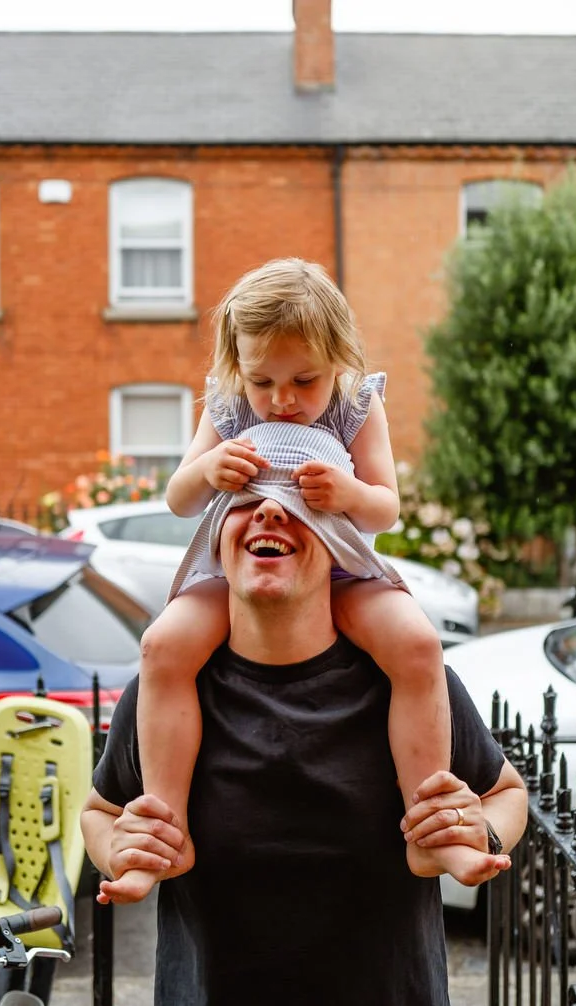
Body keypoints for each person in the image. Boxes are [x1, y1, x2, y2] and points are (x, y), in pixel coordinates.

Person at [80, 439, 527, 1006]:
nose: (268, 512)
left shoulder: (405, 688)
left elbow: (506, 794)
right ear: (217, 538)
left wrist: (481, 833)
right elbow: (100, 810)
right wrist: (115, 847)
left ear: (339, 542)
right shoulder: (166, 696)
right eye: (245, 500)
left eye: (296, 497)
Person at [111, 257, 464, 903]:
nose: (281, 400)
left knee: (416, 645)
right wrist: (210, 465)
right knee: (163, 647)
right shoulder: (227, 404)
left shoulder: (358, 404)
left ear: (339, 359)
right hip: (244, 568)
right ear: (236, 365)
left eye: (305, 379)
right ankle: (166, 830)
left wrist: (350, 490)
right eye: (262, 380)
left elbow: (386, 505)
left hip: (338, 561)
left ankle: (428, 823)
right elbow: (178, 498)